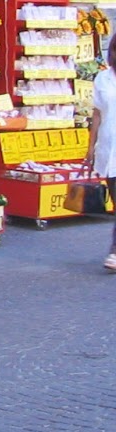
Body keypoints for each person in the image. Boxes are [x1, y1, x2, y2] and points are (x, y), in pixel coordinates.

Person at [86, 32, 116, 272]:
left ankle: (115, 251)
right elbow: (97, 114)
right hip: (108, 148)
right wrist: (90, 147)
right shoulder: (103, 78)